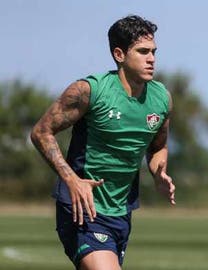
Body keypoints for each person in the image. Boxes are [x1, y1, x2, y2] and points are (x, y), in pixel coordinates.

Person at [30, 15, 175, 270]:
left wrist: (158, 171)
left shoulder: (161, 99)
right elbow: (41, 132)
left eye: (153, 51)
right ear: (119, 54)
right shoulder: (89, 91)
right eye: (142, 52)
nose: (151, 58)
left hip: (121, 213)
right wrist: (71, 180)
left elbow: (158, 147)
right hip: (81, 209)